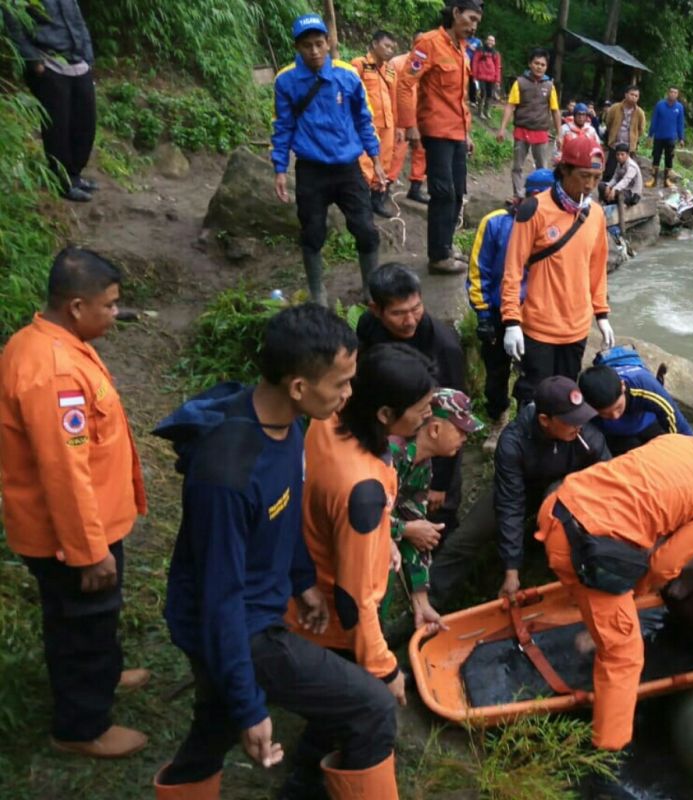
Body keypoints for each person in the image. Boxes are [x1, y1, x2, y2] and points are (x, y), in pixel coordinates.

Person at [153, 305, 399, 798]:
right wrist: (252, 707)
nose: (350, 395)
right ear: (299, 387)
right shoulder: (227, 476)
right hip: (241, 626)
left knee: (213, 726)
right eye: (341, 384)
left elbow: (282, 513)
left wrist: (300, 578)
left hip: (255, 605)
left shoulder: (286, 425)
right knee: (371, 706)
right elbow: (220, 599)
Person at [535, 409, 693, 757]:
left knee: (605, 590)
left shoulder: (675, 441)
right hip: (587, 549)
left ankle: (596, 622)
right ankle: (607, 752)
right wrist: (631, 595)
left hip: (557, 509)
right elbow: (666, 564)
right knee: (625, 656)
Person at [0, 248, 148, 758]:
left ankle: (101, 676)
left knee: (88, 617)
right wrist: (88, 551)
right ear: (78, 307)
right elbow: (64, 472)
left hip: (86, 525)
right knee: (83, 620)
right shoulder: (56, 371)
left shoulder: (49, 340)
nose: (114, 314)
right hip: (73, 538)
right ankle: (82, 727)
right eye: (109, 306)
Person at [278, 343, 435, 798]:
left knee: (338, 710)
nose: (427, 419)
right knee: (353, 711)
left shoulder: (331, 419)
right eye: (422, 410)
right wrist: (385, 669)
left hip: (309, 570)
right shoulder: (361, 490)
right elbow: (353, 598)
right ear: (385, 413)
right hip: (336, 618)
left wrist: (385, 534)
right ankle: (305, 785)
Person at [272, 14, 384, 307]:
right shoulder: (286, 80)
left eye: (319, 43)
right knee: (312, 233)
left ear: (328, 42)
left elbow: (364, 119)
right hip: (311, 170)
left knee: (366, 230)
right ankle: (317, 295)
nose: (315, 51)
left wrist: (376, 159)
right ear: (297, 47)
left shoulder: (347, 74)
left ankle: (371, 292)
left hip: (348, 168)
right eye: (307, 45)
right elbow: (282, 126)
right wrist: (280, 169)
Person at [500, 135, 614, 405]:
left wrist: (601, 314)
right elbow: (513, 270)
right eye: (584, 176)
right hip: (539, 326)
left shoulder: (595, 214)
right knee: (534, 397)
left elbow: (597, 268)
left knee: (566, 398)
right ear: (564, 170)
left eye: (596, 178)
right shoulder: (535, 209)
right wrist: (511, 321)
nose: (589, 185)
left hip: (576, 327)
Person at [357, 265, 467, 536]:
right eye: (398, 313)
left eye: (415, 308)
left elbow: (453, 417)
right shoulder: (368, 328)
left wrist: (440, 482)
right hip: (388, 432)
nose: (410, 320)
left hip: (430, 440)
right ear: (375, 310)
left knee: (438, 512)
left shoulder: (444, 346)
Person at [491, 376, 611, 600]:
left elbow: (610, 488)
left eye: (581, 418)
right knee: (469, 536)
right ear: (545, 420)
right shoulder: (513, 442)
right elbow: (510, 504)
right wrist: (511, 569)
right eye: (571, 420)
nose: (579, 426)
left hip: (565, 492)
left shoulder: (589, 438)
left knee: (560, 503)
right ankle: (425, 604)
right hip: (521, 489)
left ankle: (574, 573)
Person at [465, 168, 556, 451]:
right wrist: (482, 313)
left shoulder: (557, 225)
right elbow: (479, 270)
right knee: (496, 373)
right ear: (525, 195)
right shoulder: (495, 223)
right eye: (534, 196)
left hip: (536, 314)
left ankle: (528, 421)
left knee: (535, 373)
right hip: (498, 311)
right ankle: (498, 418)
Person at [397, 0, 482, 275]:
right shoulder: (428, 43)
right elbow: (405, 82)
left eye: (477, 22)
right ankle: (437, 256)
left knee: (458, 193)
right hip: (435, 131)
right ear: (456, 13)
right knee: (443, 193)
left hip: (457, 132)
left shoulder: (462, 50)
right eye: (470, 19)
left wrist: (467, 133)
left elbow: (461, 98)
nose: (473, 26)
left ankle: (446, 246)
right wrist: (410, 125)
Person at [390, 388, 483, 629]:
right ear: (435, 429)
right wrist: (406, 529)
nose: (465, 439)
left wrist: (421, 600)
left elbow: (418, 528)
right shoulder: (391, 455)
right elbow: (359, 514)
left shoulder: (422, 465)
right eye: (461, 431)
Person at [3, 0, 98, 201]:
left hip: (77, 60)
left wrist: (88, 58)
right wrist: (34, 61)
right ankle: (61, 182)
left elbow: (79, 22)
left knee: (85, 121)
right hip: (49, 63)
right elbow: (14, 25)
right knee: (58, 126)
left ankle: (74, 174)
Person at [577, 360, 691, 455]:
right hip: (615, 435)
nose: (615, 416)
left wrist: (692, 451)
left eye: (618, 408)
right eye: (605, 414)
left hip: (648, 422)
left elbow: (677, 422)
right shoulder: (583, 407)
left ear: (623, 387)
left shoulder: (645, 386)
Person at [497, 47, 561, 199]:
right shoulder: (520, 83)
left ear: (546, 67)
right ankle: (518, 196)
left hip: (541, 132)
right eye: (536, 63)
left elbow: (555, 110)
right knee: (517, 166)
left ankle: (542, 197)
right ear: (530, 64)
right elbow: (510, 106)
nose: (539, 67)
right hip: (522, 130)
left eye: (543, 64)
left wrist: (560, 134)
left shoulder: (549, 86)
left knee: (542, 168)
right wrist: (502, 128)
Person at [351, 30, 399, 218]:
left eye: (392, 48)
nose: (389, 50)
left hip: (387, 124)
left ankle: (377, 201)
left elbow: (393, 98)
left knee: (385, 162)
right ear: (374, 44)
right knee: (365, 163)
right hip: (367, 125)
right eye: (386, 46)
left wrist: (397, 125)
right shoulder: (359, 64)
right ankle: (361, 203)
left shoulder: (389, 70)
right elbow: (351, 94)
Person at [387, 36, 429, 205]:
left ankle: (416, 187)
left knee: (422, 149)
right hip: (399, 113)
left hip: (420, 113)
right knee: (398, 150)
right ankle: (386, 185)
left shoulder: (428, 63)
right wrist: (397, 119)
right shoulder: (396, 63)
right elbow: (390, 91)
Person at [602, 86, 645, 182]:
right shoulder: (615, 108)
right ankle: (604, 190)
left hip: (629, 146)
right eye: (632, 94)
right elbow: (608, 122)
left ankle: (621, 192)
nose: (634, 97)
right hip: (615, 144)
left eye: (636, 96)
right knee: (610, 169)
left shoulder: (640, 112)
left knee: (628, 171)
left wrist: (634, 137)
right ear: (626, 95)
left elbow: (641, 129)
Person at [646, 87, 685, 189]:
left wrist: (681, 138)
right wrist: (650, 135)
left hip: (671, 138)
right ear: (668, 93)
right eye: (671, 92)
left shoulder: (679, 107)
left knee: (669, 159)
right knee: (656, 157)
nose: (673, 94)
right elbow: (654, 120)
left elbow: (680, 124)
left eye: (675, 92)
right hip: (659, 136)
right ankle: (653, 179)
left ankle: (666, 180)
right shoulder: (660, 105)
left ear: (678, 95)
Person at [472, 34, 502, 119]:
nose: (490, 42)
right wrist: (474, 75)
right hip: (481, 76)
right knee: (482, 93)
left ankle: (487, 111)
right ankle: (480, 111)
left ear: (494, 43)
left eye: (492, 40)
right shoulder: (480, 50)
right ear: (486, 41)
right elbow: (475, 62)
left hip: (491, 78)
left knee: (489, 95)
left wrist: (497, 80)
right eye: (489, 40)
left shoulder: (496, 53)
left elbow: (498, 67)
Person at [465, 32, 482, 106]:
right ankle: (463, 98)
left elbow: (481, 52)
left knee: (473, 81)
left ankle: (473, 100)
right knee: (463, 80)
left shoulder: (478, 41)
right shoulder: (463, 39)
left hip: (474, 63)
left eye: (473, 31)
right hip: (464, 62)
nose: (471, 32)